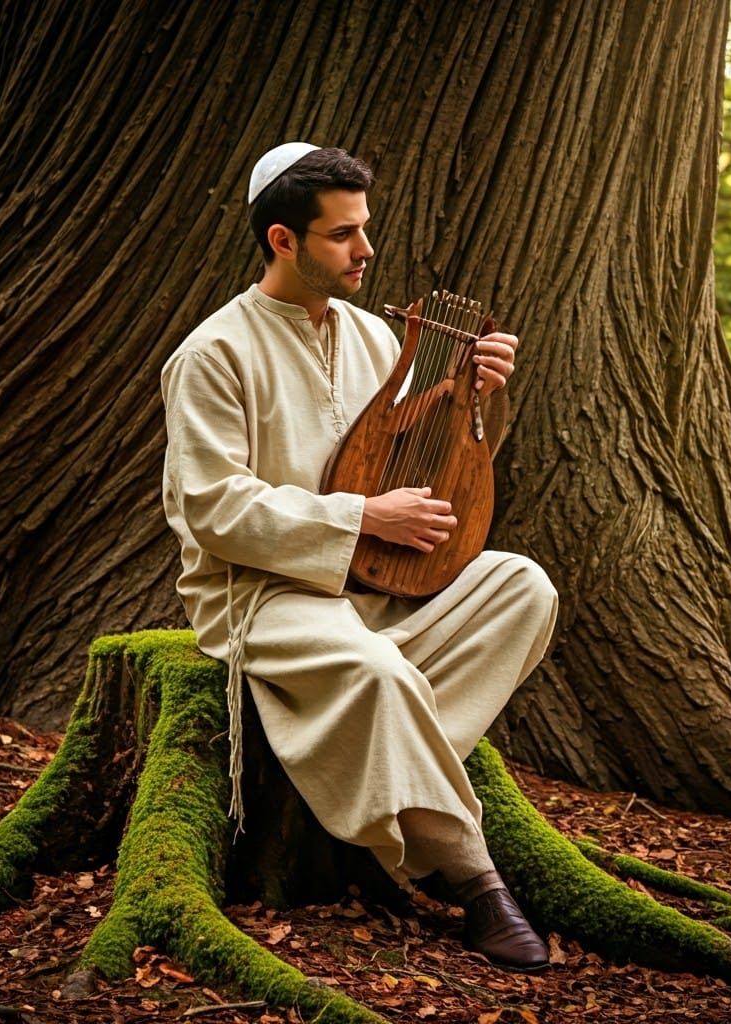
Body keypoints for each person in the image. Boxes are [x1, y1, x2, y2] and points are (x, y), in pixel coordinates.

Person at [160, 142, 558, 972]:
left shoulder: (377, 337)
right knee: (377, 672)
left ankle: (373, 769)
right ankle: (476, 879)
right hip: (265, 597)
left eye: (364, 230)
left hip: (380, 595)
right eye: (344, 235)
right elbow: (209, 506)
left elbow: (424, 458)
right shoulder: (214, 353)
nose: (366, 251)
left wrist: (474, 399)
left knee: (522, 585)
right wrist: (359, 516)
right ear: (282, 240)